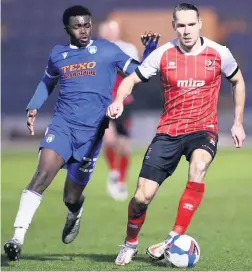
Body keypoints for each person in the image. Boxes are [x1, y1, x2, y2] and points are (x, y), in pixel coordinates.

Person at [3, 5, 159, 261]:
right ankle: (17, 238)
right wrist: (33, 105)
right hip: (62, 127)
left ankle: (75, 211)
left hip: (92, 135)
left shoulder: (108, 50)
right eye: (77, 26)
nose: (83, 30)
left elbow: (139, 73)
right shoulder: (58, 55)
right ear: (67, 28)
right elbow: (47, 82)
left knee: (71, 196)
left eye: (87, 24)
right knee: (41, 176)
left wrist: (150, 51)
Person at [107, 2, 246, 266]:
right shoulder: (162, 55)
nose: (186, 30)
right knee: (141, 197)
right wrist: (118, 100)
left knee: (199, 167)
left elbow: (238, 80)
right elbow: (131, 79)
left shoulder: (219, 53)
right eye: (181, 25)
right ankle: (130, 242)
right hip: (169, 131)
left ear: (200, 24)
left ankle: (173, 238)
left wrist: (237, 122)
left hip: (203, 129)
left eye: (191, 24)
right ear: (174, 26)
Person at [98, 20, 139, 201]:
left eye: (113, 31)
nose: (111, 34)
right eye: (108, 31)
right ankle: (113, 172)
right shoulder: (95, 51)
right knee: (109, 139)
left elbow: (134, 72)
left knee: (123, 145)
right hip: (103, 102)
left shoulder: (127, 49)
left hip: (124, 101)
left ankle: (121, 181)